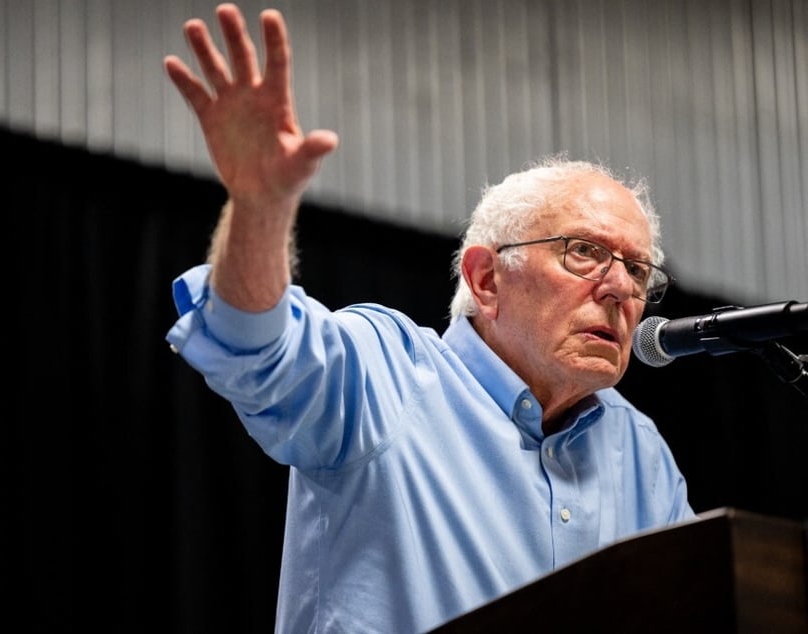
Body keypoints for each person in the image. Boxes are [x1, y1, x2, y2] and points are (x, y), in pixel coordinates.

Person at [164, 4, 695, 632]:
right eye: (585, 252)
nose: (618, 288)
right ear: (487, 279)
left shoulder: (640, 454)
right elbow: (252, 344)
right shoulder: (387, 378)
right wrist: (259, 206)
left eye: (637, 271)